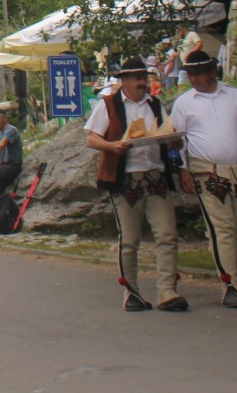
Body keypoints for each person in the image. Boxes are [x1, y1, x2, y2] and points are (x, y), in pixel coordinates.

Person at [171, 49, 237, 308]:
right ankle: (230, 284)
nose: (194, 79)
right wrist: (183, 169)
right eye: (191, 74)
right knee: (222, 229)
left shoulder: (236, 96)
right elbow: (177, 140)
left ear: (212, 71)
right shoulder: (184, 103)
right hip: (207, 171)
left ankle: (231, 266)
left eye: (199, 74)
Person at [85, 57, 186, 311]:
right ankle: (131, 292)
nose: (143, 82)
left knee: (167, 234)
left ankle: (167, 291)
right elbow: (92, 139)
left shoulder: (155, 104)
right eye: (138, 78)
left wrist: (173, 140)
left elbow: (165, 131)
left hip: (155, 176)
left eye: (145, 77)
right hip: (125, 179)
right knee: (130, 239)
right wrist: (112, 146)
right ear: (125, 81)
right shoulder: (108, 105)